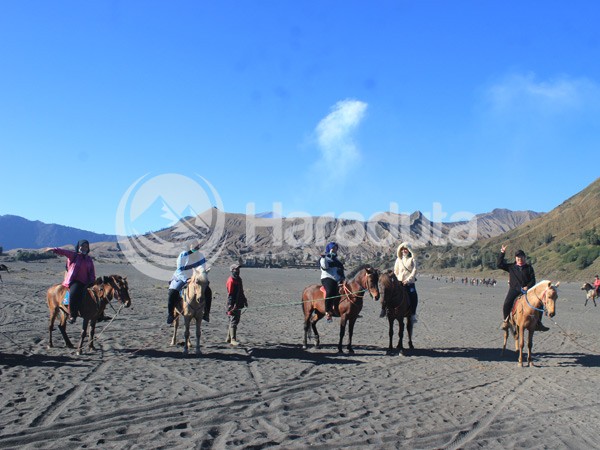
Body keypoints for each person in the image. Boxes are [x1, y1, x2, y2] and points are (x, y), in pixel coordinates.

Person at [497, 246, 547, 331]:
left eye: (521, 256)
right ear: (516, 258)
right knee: (507, 303)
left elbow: (533, 280)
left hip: (527, 291)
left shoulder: (529, 268)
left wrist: (528, 286)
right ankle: (505, 321)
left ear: (524, 257)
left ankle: (538, 323)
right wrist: (502, 252)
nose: (519, 258)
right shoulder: (511, 267)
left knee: (540, 304)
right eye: (518, 257)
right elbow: (499, 265)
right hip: (514, 290)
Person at [45, 240, 96, 324]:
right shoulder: (74, 255)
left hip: (87, 282)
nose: (84, 248)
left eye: (86, 247)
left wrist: (92, 281)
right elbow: (64, 252)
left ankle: (99, 314)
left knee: (99, 293)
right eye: (82, 246)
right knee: (73, 293)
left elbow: (91, 271)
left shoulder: (89, 259)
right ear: (78, 247)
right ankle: (72, 315)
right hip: (75, 281)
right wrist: (53, 249)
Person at [166, 240, 212, 325]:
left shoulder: (201, 256)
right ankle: (170, 314)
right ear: (189, 246)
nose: (195, 247)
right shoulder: (183, 255)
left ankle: (206, 313)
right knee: (172, 292)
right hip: (181, 277)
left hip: (195, 278)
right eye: (193, 245)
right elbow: (179, 270)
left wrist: (198, 278)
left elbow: (201, 269)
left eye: (197, 246)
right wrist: (186, 279)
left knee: (208, 291)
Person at [391, 242, 419, 324]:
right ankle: (387, 311)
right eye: (402, 249)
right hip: (399, 282)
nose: (404, 251)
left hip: (409, 283)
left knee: (414, 296)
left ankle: (413, 314)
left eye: (406, 249)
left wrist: (408, 280)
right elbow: (395, 271)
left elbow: (414, 271)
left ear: (409, 250)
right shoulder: (398, 260)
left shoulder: (413, 259)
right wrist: (398, 279)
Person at [319, 242, 345, 322]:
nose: (335, 250)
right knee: (330, 291)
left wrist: (342, 279)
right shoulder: (325, 258)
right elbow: (325, 267)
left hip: (337, 279)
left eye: (336, 249)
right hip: (327, 278)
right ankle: (328, 311)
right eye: (333, 248)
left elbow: (341, 271)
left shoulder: (337, 260)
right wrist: (323, 258)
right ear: (329, 249)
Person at [226, 263, 248, 346]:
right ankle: (233, 339)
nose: (238, 271)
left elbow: (241, 291)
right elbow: (230, 294)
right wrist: (231, 305)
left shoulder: (239, 279)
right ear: (232, 270)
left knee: (234, 320)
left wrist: (244, 300)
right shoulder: (231, 280)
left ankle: (228, 338)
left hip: (239, 302)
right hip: (233, 304)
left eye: (238, 269)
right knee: (233, 320)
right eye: (236, 269)